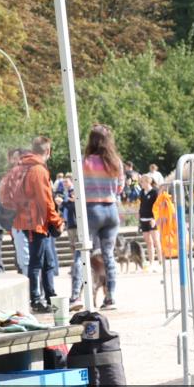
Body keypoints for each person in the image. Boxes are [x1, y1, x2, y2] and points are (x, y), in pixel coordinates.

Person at [2, 136, 65, 312]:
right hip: (37, 221)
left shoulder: (19, 168)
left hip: (26, 220)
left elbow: (6, 196)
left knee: (45, 260)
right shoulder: (38, 169)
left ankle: (48, 297)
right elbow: (45, 200)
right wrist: (57, 221)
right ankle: (36, 299)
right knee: (38, 261)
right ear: (48, 151)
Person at [71, 125, 123, 309]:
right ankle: (111, 297)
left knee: (81, 252)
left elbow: (77, 186)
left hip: (92, 209)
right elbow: (120, 188)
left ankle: (76, 295)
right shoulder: (116, 162)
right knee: (109, 255)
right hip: (111, 210)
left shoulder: (84, 162)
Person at [138, 174, 161, 271]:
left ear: (148, 182)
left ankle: (160, 261)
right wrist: (139, 214)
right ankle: (151, 262)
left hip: (152, 219)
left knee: (156, 241)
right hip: (143, 219)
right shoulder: (142, 192)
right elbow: (141, 204)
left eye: (142, 182)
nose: (141, 184)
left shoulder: (155, 192)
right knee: (148, 242)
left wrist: (154, 219)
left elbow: (158, 206)